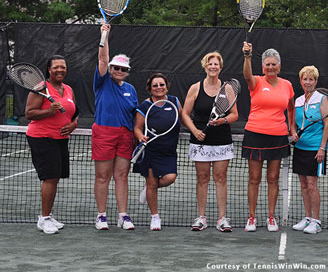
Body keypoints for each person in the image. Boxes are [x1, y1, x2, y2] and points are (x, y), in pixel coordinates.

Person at [181, 52, 238, 232]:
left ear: (220, 68)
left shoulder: (227, 89)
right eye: (210, 64)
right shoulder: (195, 88)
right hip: (200, 141)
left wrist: (222, 121)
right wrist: (195, 131)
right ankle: (201, 217)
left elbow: (234, 114)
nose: (213, 67)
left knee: (220, 178)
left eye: (216, 64)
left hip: (222, 140)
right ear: (205, 66)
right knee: (202, 178)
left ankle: (222, 218)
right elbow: (184, 113)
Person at [242, 42, 294, 232]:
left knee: (273, 178)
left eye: (274, 64)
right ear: (263, 67)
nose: (270, 68)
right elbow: (247, 75)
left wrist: (292, 128)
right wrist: (247, 56)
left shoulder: (287, 85)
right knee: (254, 178)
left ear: (279, 67)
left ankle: (271, 218)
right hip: (255, 134)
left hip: (278, 136)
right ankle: (252, 218)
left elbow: (290, 108)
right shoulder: (255, 81)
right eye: (267, 65)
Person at [92, 23, 138, 230]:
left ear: (127, 71)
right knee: (103, 176)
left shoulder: (131, 89)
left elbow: (135, 114)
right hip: (104, 132)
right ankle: (101, 216)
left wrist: (138, 134)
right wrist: (105, 34)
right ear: (110, 69)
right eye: (116, 67)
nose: (119, 71)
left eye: (123, 69)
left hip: (126, 135)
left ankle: (123, 215)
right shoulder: (102, 82)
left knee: (122, 175)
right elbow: (102, 58)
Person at [25, 55, 78, 234]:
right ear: (48, 69)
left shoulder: (68, 89)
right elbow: (29, 113)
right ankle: (44, 218)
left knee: (55, 178)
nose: (60, 70)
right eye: (56, 67)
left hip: (61, 140)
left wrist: (73, 124)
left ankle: (47, 216)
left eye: (62, 67)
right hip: (42, 138)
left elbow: (74, 112)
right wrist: (49, 110)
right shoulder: (40, 88)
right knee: (49, 178)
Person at [133, 73, 181, 231]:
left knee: (170, 178)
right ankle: (155, 217)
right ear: (150, 89)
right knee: (152, 182)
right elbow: (137, 128)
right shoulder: (145, 106)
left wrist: (195, 129)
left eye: (162, 84)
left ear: (167, 86)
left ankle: (149, 189)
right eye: (155, 85)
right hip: (151, 150)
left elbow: (183, 117)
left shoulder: (174, 101)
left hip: (169, 150)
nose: (159, 88)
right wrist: (140, 136)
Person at [290, 66, 328, 234]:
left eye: (311, 79)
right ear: (301, 81)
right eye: (305, 79)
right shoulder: (297, 100)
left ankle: (316, 220)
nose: (307, 82)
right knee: (304, 185)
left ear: (315, 81)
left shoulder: (322, 99)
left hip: (315, 149)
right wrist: (293, 133)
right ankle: (307, 218)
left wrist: (322, 148)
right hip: (300, 148)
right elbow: (292, 122)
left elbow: (327, 125)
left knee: (312, 185)